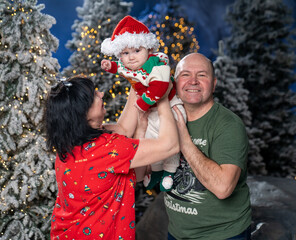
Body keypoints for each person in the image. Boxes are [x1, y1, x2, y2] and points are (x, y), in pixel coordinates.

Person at [44, 76, 179, 240]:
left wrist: (137, 79)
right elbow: (170, 144)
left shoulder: (70, 142)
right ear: (83, 112)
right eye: (94, 95)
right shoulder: (108, 149)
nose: (101, 94)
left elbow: (123, 128)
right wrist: (162, 96)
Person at [165, 53, 251, 240]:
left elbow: (223, 188)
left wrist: (182, 136)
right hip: (177, 233)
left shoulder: (228, 125)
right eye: (185, 74)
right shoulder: (165, 118)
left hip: (223, 235)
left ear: (214, 84)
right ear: (175, 82)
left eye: (202, 75)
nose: (193, 81)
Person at [100, 15, 187, 191]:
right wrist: (111, 66)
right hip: (151, 109)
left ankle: (170, 171)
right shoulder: (131, 65)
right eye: (125, 53)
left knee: (171, 133)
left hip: (169, 105)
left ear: (148, 49)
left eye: (136, 51)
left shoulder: (156, 63)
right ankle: (155, 171)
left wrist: (142, 104)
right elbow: (121, 68)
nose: (131, 58)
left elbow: (159, 87)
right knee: (150, 139)